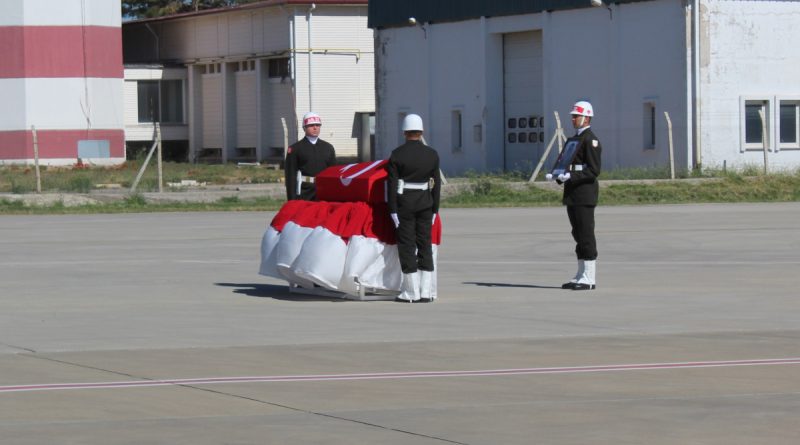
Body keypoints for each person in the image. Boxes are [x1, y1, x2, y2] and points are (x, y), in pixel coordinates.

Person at [387, 114, 441, 302]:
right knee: (425, 244)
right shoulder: (432, 154)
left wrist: (392, 209)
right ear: (422, 131)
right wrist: (435, 209)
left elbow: (392, 185)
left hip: (405, 204)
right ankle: (426, 291)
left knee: (407, 245)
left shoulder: (397, 154)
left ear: (404, 132)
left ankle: (411, 291)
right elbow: (437, 184)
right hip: (426, 202)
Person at [554, 101, 602, 290]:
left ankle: (589, 278)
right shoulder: (573, 139)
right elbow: (567, 162)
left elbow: (593, 170)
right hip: (573, 193)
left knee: (586, 235)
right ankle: (580, 274)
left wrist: (571, 176)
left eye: (576, 115)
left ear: (587, 117)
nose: (573, 119)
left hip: (584, 194)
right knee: (577, 234)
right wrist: (558, 174)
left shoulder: (591, 140)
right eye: (573, 116)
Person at [284, 112, 336, 201]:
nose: (315, 128)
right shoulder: (295, 149)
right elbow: (290, 176)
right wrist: (292, 199)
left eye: (317, 125)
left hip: (324, 191)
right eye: (311, 125)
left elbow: (334, 174)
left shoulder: (328, 148)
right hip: (305, 192)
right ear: (304, 128)